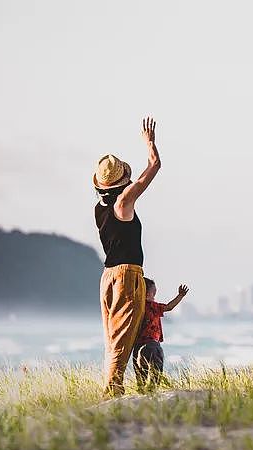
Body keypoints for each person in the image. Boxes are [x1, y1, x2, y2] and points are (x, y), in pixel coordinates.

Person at [94, 117, 161, 398]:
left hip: (107, 277)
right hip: (126, 276)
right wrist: (149, 144)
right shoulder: (123, 203)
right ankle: (113, 394)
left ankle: (113, 389)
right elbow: (153, 168)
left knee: (113, 339)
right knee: (122, 340)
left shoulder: (100, 208)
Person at [133, 278, 190, 392]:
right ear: (147, 293)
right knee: (156, 371)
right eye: (154, 293)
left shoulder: (136, 307)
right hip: (152, 345)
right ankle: (152, 392)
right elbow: (169, 307)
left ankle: (141, 392)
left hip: (138, 346)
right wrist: (180, 296)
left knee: (141, 374)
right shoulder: (152, 306)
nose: (155, 296)